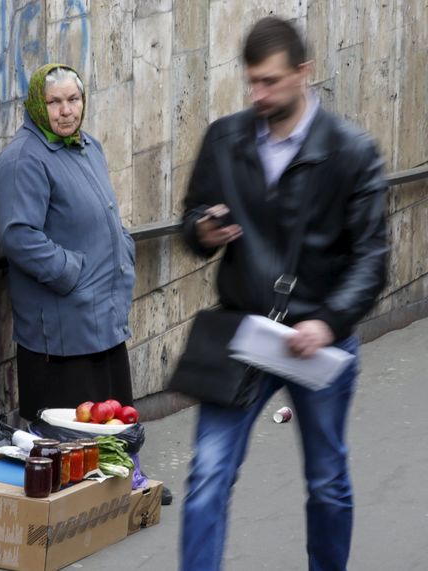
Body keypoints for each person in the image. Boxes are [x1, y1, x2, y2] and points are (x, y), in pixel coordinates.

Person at [179, 17, 388, 571]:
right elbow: (192, 219)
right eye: (251, 82)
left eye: (270, 82)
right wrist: (202, 230)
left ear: (304, 72)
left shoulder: (353, 152)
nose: (258, 95)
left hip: (317, 341)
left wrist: (330, 322)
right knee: (206, 476)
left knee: (327, 482)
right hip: (245, 334)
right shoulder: (225, 138)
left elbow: (372, 258)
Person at [0, 64, 136, 421]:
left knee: (114, 434)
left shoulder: (88, 146)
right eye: (54, 102)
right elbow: (19, 236)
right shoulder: (24, 159)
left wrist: (124, 246)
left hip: (104, 322)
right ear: (38, 107)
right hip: (62, 337)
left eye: (73, 99)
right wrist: (73, 274)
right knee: (72, 450)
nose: (66, 110)